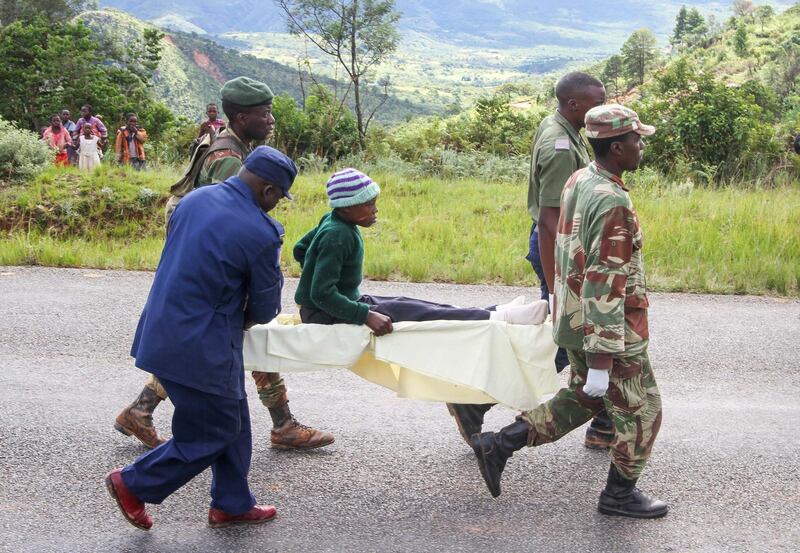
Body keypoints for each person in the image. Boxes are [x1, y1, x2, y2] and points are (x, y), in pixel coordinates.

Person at [114, 76, 334, 452]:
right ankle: (281, 425)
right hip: (212, 267)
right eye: (264, 114)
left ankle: (142, 410)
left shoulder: (230, 146)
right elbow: (239, 221)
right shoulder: (229, 159)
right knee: (238, 334)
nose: (271, 120)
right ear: (242, 117)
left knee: (221, 339)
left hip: (202, 260)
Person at [470, 104, 667, 519]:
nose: (640, 145)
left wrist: (566, 312)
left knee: (584, 398)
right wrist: (602, 357)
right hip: (608, 328)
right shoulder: (612, 200)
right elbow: (604, 280)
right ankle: (618, 496)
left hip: (576, 319)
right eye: (635, 138)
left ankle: (499, 445)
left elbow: (568, 252)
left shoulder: (582, 178)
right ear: (617, 147)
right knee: (643, 411)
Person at [105, 145, 296, 531]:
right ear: (269, 191)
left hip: (162, 328)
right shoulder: (260, 232)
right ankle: (133, 483)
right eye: (279, 198)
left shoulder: (193, 200)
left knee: (234, 416)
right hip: (202, 346)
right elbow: (263, 311)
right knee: (214, 430)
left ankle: (232, 503)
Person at [447, 72, 611, 449]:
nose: (602, 107)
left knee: (575, 336)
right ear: (573, 104)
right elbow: (552, 219)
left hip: (563, 246)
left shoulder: (561, 127)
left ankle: (603, 424)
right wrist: (557, 286)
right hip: (559, 250)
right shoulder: (560, 145)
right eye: (596, 101)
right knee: (566, 339)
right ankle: (476, 401)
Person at [294, 168, 548, 333]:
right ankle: (500, 320)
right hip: (324, 315)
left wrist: (315, 271)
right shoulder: (337, 235)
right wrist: (364, 316)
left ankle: (496, 311)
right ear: (347, 207)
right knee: (417, 314)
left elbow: (300, 248)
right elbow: (321, 294)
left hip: (339, 305)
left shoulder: (334, 221)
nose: (375, 210)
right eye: (369, 204)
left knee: (408, 303)